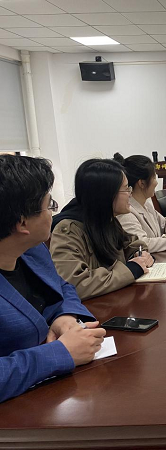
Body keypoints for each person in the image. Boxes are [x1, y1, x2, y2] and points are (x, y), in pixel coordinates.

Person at [0, 155, 106, 403]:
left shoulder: (32, 249)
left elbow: (62, 286)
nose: (53, 213)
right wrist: (59, 353)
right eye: (50, 205)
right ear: (22, 222)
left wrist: (64, 316)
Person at [50, 159, 154, 300]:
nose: (130, 194)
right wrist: (130, 270)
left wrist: (140, 254)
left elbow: (130, 243)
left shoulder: (107, 220)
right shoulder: (68, 231)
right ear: (106, 195)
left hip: (116, 301)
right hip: (93, 309)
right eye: (126, 189)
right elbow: (76, 284)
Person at [114, 153, 166, 253]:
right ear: (142, 183)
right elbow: (141, 244)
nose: (156, 183)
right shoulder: (126, 212)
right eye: (154, 178)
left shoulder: (146, 205)